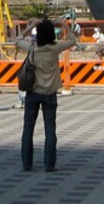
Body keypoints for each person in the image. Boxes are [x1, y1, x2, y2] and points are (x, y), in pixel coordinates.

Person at [15, 17, 77, 172]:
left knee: (28, 129)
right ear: (51, 35)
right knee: (50, 130)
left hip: (33, 92)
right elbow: (72, 40)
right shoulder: (55, 48)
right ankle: (49, 164)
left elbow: (17, 40)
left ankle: (27, 163)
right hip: (50, 93)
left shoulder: (32, 48)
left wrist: (31, 26)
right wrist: (63, 25)